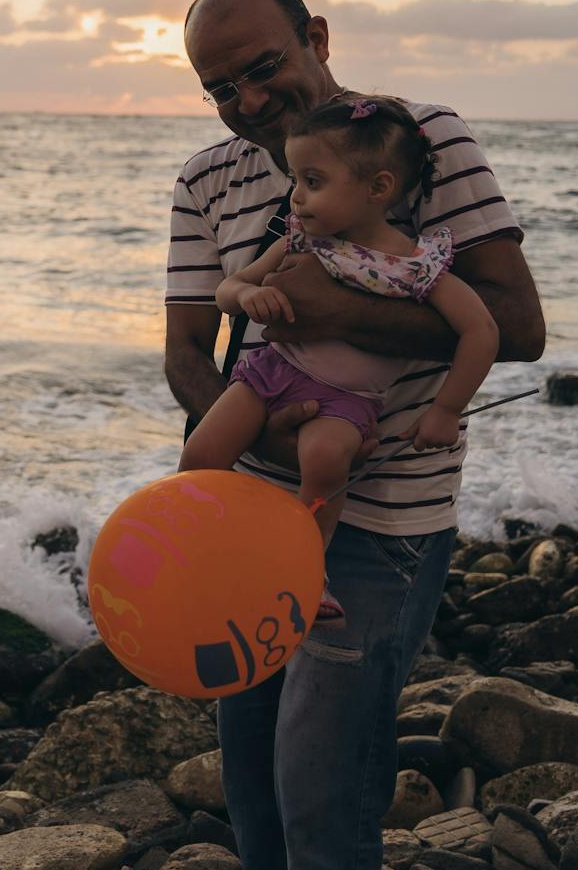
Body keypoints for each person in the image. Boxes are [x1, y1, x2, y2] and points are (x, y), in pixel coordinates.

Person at [163, 0, 544, 870]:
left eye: (262, 67)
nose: (246, 101)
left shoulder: (419, 142)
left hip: (381, 528)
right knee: (253, 796)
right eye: (220, 88)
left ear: (316, 35)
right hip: (251, 521)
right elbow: (183, 349)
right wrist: (257, 433)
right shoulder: (206, 179)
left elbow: (516, 322)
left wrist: (344, 317)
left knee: (324, 799)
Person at [179, 96, 500, 628]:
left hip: (347, 402)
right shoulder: (302, 241)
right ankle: (196, 544)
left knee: (326, 463)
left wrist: (447, 409)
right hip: (270, 375)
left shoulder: (417, 266)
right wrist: (246, 298)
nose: (297, 198)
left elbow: (482, 330)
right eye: (295, 181)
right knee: (201, 454)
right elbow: (228, 289)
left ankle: (311, 568)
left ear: (377, 188)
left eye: (313, 181)